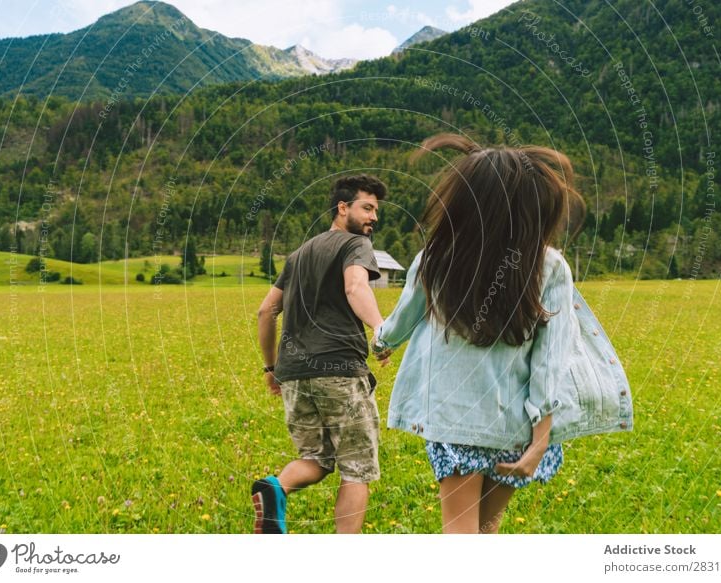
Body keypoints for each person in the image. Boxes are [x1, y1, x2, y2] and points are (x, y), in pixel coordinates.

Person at [373, 134, 632, 534]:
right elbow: (550, 363)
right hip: (514, 424)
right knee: (487, 529)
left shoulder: (437, 256)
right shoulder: (548, 265)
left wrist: (382, 342)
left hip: (453, 418)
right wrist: (541, 439)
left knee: (459, 533)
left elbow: (402, 318)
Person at [253, 174, 389, 534]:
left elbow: (266, 312)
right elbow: (356, 286)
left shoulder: (298, 255)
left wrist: (271, 368)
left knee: (315, 459)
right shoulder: (355, 244)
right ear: (342, 208)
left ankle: (274, 488)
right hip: (340, 371)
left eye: (376, 210)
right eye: (367, 208)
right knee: (356, 468)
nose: (373, 217)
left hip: (295, 374)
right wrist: (381, 329)